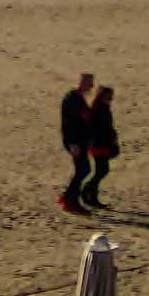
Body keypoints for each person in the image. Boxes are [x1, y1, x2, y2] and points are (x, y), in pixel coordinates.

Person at [59, 73, 95, 213]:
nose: (91, 86)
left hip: (80, 141)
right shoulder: (72, 99)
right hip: (75, 142)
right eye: (89, 83)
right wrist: (73, 143)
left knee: (83, 169)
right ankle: (70, 201)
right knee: (83, 169)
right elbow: (69, 124)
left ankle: (68, 197)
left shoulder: (79, 98)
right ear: (81, 82)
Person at [82, 86, 119, 209]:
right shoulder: (96, 109)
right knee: (102, 170)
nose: (111, 99)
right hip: (98, 144)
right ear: (102, 96)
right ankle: (86, 191)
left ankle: (92, 197)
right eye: (109, 96)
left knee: (101, 170)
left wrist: (113, 139)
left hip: (103, 143)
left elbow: (108, 126)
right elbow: (92, 128)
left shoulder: (104, 108)